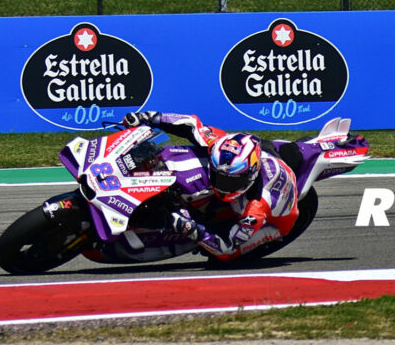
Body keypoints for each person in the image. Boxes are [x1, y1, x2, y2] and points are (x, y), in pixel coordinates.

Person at [121, 110, 299, 262]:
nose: (223, 186)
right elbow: (190, 124)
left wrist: (192, 230)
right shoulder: (220, 144)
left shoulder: (255, 210)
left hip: (275, 221)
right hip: (262, 159)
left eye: (231, 181)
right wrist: (150, 117)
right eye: (218, 176)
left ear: (249, 176)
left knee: (222, 258)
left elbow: (227, 247)